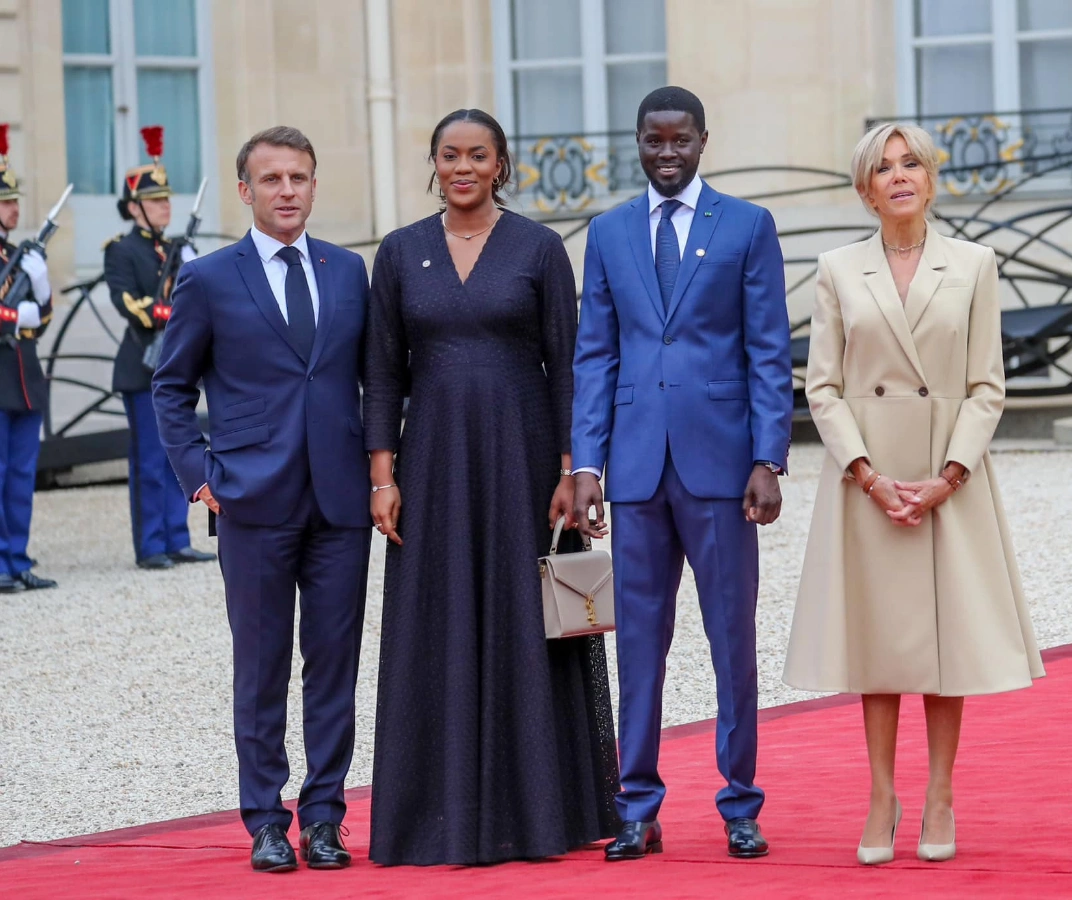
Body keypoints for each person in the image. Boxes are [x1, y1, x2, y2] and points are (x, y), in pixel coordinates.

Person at [782, 123, 1044, 865]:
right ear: (866, 190)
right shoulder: (837, 268)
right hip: (870, 476)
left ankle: (939, 794)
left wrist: (949, 476)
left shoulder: (975, 264)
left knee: (942, 639)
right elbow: (822, 385)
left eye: (911, 164)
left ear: (931, 179)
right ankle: (880, 795)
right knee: (879, 642)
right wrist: (864, 472)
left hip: (945, 472)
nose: (899, 176)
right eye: (883, 168)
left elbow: (988, 384)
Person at [364, 108, 620, 866]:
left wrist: (576, 468)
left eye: (479, 155)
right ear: (434, 163)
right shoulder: (400, 252)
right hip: (433, 461)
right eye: (450, 155)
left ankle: (545, 811)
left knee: (530, 621)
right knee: (435, 623)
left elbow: (569, 364)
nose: (464, 167)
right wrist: (382, 474)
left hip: (524, 460)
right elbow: (380, 372)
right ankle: (432, 817)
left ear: (502, 166)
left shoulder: (539, 248)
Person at [572, 86, 793, 861]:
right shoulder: (608, 232)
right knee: (639, 640)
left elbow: (768, 349)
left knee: (732, 638)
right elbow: (594, 354)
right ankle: (637, 804)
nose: (666, 153)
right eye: (653, 140)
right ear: (637, 141)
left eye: (680, 140)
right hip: (634, 471)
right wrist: (588, 463)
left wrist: (769, 457)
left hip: (724, 468)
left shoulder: (747, 226)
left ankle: (740, 802)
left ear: (703, 141)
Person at [152, 126, 372, 873]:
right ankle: (265, 820)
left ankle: (324, 817)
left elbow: (369, 383)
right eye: (272, 179)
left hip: (341, 503)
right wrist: (198, 476)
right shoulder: (210, 279)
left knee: (335, 663)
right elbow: (171, 386)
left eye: (299, 178)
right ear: (245, 191)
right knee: (262, 667)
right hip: (250, 500)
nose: (287, 190)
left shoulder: (349, 274)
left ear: (314, 186)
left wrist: (382, 476)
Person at [104, 127, 214, 570]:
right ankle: (151, 544)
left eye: (167, 199)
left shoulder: (176, 247)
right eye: (155, 201)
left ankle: (176, 537)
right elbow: (131, 305)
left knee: (179, 455)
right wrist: (170, 308)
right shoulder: (121, 251)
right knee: (150, 460)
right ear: (134, 208)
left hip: (177, 365)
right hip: (142, 364)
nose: (165, 207)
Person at [0, 124, 56, 592]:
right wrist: (13, 311)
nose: (14, 208)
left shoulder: (18, 254)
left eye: (15, 200)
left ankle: (16, 557)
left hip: (23, 380)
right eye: (6, 201)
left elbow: (42, 317)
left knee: (20, 477)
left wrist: (40, 289)